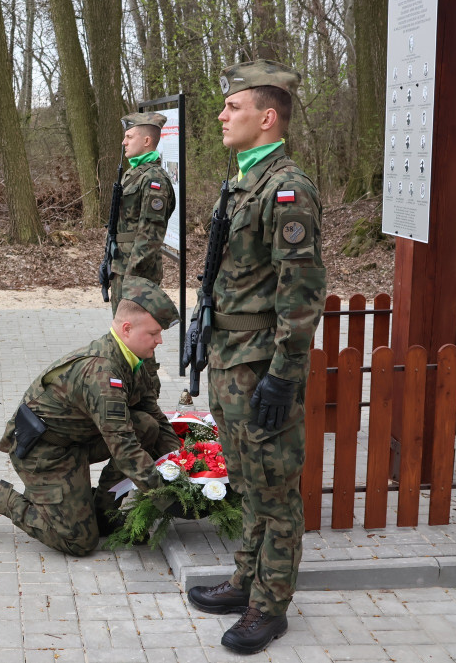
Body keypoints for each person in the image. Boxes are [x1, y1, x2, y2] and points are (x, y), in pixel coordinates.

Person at [184, 61, 325, 655]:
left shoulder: (287, 189)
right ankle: (247, 579)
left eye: (233, 107)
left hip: (263, 365)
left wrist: (283, 379)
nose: (221, 115)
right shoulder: (242, 181)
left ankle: (271, 607)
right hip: (230, 359)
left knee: (275, 489)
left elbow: (301, 294)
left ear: (267, 117)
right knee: (246, 479)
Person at [0, 277, 181, 556]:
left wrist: (184, 466)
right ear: (127, 329)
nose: (160, 340)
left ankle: (104, 513)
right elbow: (124, 448)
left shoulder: (134, 357)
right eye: (153, 333)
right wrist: (164, 495)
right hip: (43, 452)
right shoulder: (104, 374)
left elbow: (154, 416)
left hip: (76, 438)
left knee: (146, 427)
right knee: (78, 541)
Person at [109, 112, 175, 398]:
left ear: (147, 140)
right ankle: (128, 393)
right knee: (124, 338)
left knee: (140, 339)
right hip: (121, 266)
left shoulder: (154, 179)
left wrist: (132, 280)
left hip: (137, 273)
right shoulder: (133, 173)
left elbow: (150, 235)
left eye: (130, 136)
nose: (124, 141)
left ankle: (148, 398)